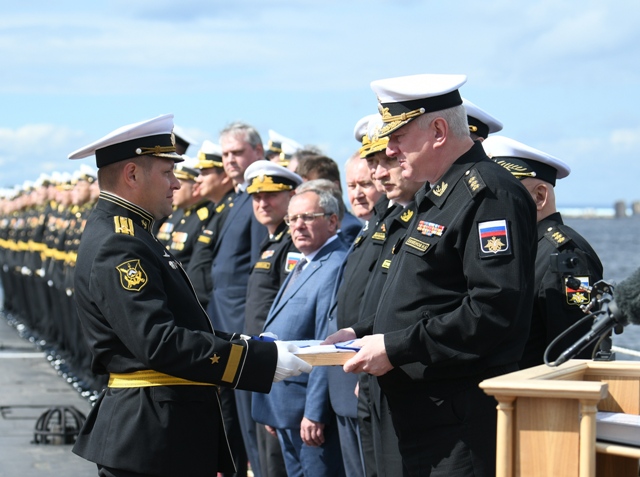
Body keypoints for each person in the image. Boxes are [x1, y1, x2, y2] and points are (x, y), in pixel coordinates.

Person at [66, 113, 311, 477]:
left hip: (163, 430)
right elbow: (160, 342)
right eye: (167, 172)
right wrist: (257, 361)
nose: (177, 183)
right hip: (153, 434)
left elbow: (182, 323)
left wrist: (251, 345)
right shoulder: (120, 243)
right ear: (132, 175)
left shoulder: (132, 233)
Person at [325, 74, 537, 477]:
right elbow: (422, 295)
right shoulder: (434, 194)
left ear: (438, 131)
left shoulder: (489, 194)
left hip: (456, 418)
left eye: (398, 136)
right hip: (416, 409)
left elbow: (492, 310)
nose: (389, 150)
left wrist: (394, 347)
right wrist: (361, 332)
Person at [484, 135, 604, 367]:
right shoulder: (523, 247)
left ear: (540, 196)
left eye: (504, 194)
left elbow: (574, 351)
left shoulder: (564, 255)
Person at [252, 188, 348, 477]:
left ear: (332, 221)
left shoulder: (335, 264)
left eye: (308, 217)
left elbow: (325, 345)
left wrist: (315, 412)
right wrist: (270, 405)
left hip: (307, 413)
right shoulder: (306, 262)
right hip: (285, 407)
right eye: (292, 219)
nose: (298, 226)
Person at [208, 122, 270, 477]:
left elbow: (259, 273)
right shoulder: (236, 199)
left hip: (242, 327)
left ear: (257, 152)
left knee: (251, 426)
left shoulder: (257, 200)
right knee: (233, 422)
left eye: (237, 153)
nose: (229, 160)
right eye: (225, 154)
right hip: (223, 324)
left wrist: (250, 328)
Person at [243, 159, 303, 477]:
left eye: (271, 195)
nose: (263, 203)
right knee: (265, 461)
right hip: (261, 363)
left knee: (278, 462)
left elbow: (292, 313)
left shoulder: (292, 242)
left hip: (279, 367)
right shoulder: (271, 242)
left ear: (292, 196)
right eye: (257, 196)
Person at [185, 140, 235, 307]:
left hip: (214, 305)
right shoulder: (215, 210)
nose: (198, 179)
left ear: (225, 176)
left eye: (205, 173)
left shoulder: (230, 211)